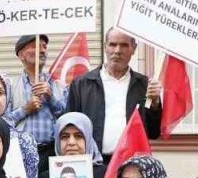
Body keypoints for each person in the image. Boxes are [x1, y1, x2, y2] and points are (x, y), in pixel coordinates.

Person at [65, 28, 163, 160]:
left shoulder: (144, 86)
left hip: (131, 165)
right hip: (94, 163)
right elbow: (68, 127)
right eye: (112, 44)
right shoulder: (82, 84)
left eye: (124, 45)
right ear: (105, 47)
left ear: (133, 48)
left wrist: (155, 103)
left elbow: (153, 131)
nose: (117, 51)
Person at [5, 34, 66, 161]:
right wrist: (25, 109)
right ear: (21, 55)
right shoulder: (10, 87)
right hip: (21, 153)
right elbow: (3, 122)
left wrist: (51, 98)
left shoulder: (57, 85)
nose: (42, 50)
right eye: (35, 47)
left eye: (44, 47)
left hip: (52, 153)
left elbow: (66, 117)